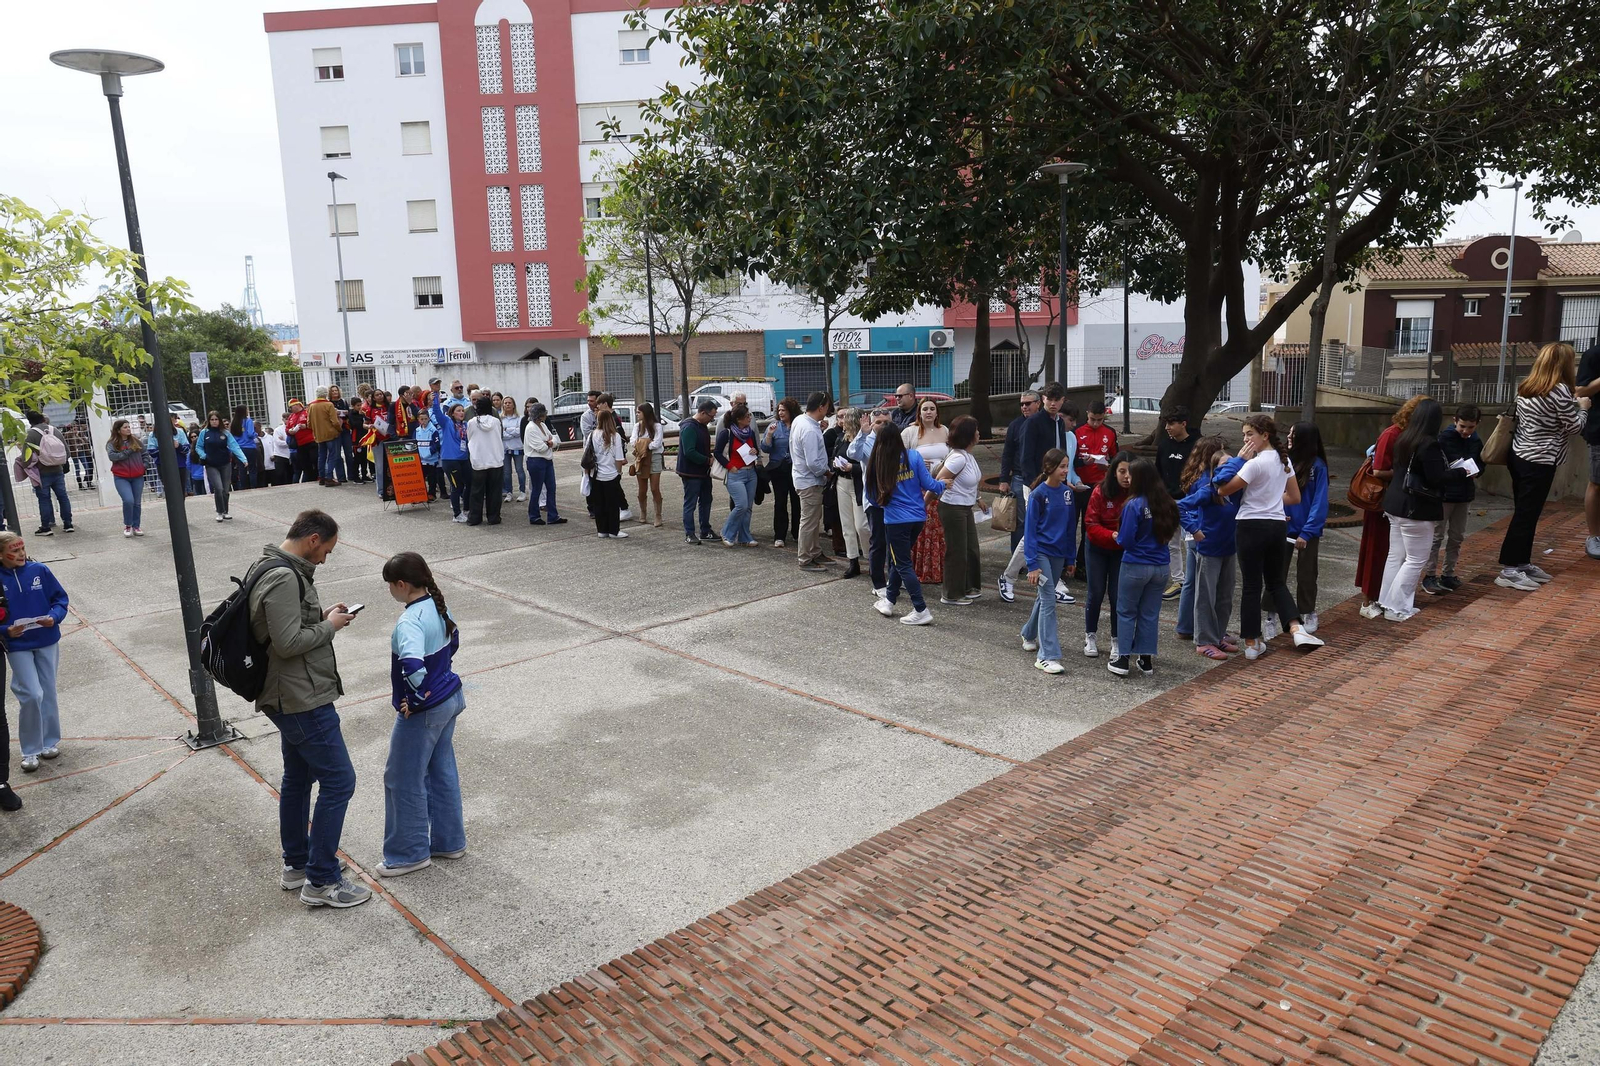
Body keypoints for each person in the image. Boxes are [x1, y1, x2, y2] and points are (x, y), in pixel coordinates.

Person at [247, 509, 365, 908]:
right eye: (326, 550)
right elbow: (286, 643)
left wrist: (320, 615)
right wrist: (330, 627)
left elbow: (283, 627)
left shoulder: (272, 564)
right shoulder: (282, 575)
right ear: (313, 539)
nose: (324, 559)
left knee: (298, 778)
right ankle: (321, 881)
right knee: (339, 781)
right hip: (300, 697)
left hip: (291, 693)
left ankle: (298, 864)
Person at [376, 552, 467, 878]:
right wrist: (439, 678)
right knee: (440, 771)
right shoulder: (437, 605)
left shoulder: (409, 620)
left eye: (390, 585)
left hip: (425, 710)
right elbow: (453, 640)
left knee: (401, 778)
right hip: (450, 698)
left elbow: (412, 665)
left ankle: (408, 854)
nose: (389, 590)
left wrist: (414, 699)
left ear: (401, 585)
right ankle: (449, 841)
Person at [1215, 414, 1324, 657]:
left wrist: (1239, 460)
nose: (1245, 438)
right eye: (1244, 434)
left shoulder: (1254, 463)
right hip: (1276, 526)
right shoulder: (1283, 461)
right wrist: (1272, 499)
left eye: (1249, 434)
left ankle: (1252, 643)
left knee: (1252, 585)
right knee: (1276, 582)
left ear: (1264, 435)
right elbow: (1294, 498)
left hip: (1250, 525)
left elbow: (1223, 489)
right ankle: (1297, 628)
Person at [1497, 342, 1591, 590]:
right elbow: (1574, 427)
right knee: (1526, 515)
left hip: (1519, 455)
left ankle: (1522, 562)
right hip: (1540, 461)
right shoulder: (1558, 390)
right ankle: (1509, 569)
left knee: (1525, 512)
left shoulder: (1526, 386)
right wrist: (1583, 409)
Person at [999, 384, 1083, 604]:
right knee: (1032, 532)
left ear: (1063, 401)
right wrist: (1034, 484)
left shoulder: (1059, 423)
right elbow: (1025, 457)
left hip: (1055, 485)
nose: (1053, 403)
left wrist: (1066, 480)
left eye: (1057, 399)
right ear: (1043, 400)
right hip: (1036, 485)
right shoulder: (1034, 423)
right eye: (1049, 399)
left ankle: (1052, 580)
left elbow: (1063, 456)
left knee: (1052, 528)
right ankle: (1009, 577)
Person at [1, 531, 68, 774]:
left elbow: (60, 599)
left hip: (46, 639)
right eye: (14, 550)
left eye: (22, 549)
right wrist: (6, 630)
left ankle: (49, 741)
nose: (20, 554)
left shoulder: (40, 570)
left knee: (47, 690)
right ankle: (29, 749)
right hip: (17, 644)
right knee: (31, 694)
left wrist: (54, 617)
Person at [1377, 398, 1449, 621]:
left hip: (1395, 504)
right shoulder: (1429, 444)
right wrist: (1462, 472)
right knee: (1416, 559)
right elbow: (1437, 478)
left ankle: (1387, 601)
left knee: (1395, 555)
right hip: (1415, 509)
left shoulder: (1404, 438)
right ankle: (1397, 608)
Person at [869, 425, 947, 624]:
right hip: (918, 517)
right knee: (899, 560)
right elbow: (930, 485)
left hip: (896, 521)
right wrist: (944, 484)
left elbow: (871, 496)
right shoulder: (914, 456)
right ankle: (889, 600)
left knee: (903, 563)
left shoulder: (879, 462)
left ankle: (920, 609)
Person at [1110, 459, 1179, 677]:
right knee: (1149, 614)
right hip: (1160, 567)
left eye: (1132, 475)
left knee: (1126, 611)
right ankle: (1146, 660)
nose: (1128, 478)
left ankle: (1122, 660)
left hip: (1135, 565)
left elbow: (1126, 540)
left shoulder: (1134, 504)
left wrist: (1117, 537)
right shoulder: (1167, 503)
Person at [1355, 395, 1423, 617]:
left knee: (1395, 553)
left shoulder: (1408, 434)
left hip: (1399, 501)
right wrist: (1407, 473)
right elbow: (1378, 470)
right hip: (1382, 501)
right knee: (1378, 550)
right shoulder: (1392, 434)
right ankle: (1368, 600)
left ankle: (1386, 597)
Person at [1177, 436, 1240, 660]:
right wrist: (1194, 529)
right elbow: (1180, 507)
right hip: (1209, 547)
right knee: (1205, 595)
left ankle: (1218, 634)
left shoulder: (1234, 489)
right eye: (1226, 465)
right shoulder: (1208, 487)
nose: (1231, 469)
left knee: (1224, 594)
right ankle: (1204, 640)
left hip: (1229, 547)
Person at [1271, 421, 1330, 636]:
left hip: (1306, 530)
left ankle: (1308, 611)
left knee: (1307, 573)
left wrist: (1307, 532)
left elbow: (1319, 502)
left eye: (1293, 434)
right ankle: (1271, 614)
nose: (1288, 437)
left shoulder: (1318, 467)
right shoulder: (1283, 461)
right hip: (1282, 525)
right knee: (1276, 573)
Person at [1020, 448, 1076, 674]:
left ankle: (1028, 632)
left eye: (1066, 465)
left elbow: (1071, 528)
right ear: (1049, 468)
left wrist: (1070, 557)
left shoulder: (1067, 494)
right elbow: (1030, 532)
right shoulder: (1037, 495)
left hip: (1058, 553)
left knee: (1045, 598)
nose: (1065, 470)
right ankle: (1047, 656)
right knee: (1049, 599)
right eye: (1062, 466)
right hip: (1041, 553)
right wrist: (1032, 564)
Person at [1422, 405, 1484, 595]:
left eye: (1470, 427)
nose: (1466, 431)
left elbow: (1480, 463)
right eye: (1462, 426)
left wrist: (1476, 470)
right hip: (1446, 494)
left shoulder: (1475, 440)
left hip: (1463, 494)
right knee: (1437, 536)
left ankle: (1448, 574)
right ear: (1454, 421)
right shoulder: (1444, 438)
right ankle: (1430, 575)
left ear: (1477, 425)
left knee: (1456, 537)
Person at [1082, 452, 1133, 658]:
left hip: (1120, 550)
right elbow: (1090, 525)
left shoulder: (1138, 494)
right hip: (1097, 547)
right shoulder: (1100, 491)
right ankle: (1090, 635)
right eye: (1122, 471)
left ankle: (1116, 639)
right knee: (1095, 592)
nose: (1126, 476)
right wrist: (1112, 534)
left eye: (1130, 472)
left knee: (1117, 595)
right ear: (1114, 472)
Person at [936, 415, 983, 605]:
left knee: (971, 548)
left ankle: (969, 586)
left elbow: (971, 482)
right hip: (952, 507)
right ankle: (952, 594)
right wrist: (923, 505)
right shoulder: (957, 458)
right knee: (957, 551)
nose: (979, 433)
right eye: (976, 430)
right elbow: (938, 481)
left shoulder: (967, 456)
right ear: (969, 435)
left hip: (965, 506)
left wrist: (979, 499)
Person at [902, 397, 950, 584]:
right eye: (925, 409)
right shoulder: (910, 432)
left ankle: (939, 570)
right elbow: (897, 457)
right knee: (923, 529)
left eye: (932, 409)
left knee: (939, 529)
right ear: (919, 413)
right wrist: (916, 463)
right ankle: (920, 569)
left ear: (937, 412)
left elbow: (952, 455)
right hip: (919, 487)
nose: (928, 412)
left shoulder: (944, 430)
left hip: (942, 486)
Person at [849, 408, 893, 593]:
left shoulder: (894, 440)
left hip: (894, 498)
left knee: (895, 541)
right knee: (878, 541)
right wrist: (863, 432)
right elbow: (853, 454)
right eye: (878, 422)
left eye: (885, 422)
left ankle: (894, 578)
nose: (882, 425)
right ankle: (879, 583)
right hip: (875, 500)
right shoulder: (866, 440)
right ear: (872, 424)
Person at [1154, 409, 1195, 600]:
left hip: (1190, 502)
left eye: (1171, 424)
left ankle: (1193, 581)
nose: (1167, 428)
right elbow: (1158, 472)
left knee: (1192, 542)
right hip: (1168, 501)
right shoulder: (1164, 445)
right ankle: (1178, 580)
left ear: (1183, 423)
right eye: (1166, 424)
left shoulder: (1196, 446)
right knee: (1171, 542)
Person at [1073, 400, 1118, 572]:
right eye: (1093, 419)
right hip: (1078, 485)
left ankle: (1083, 564)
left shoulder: (1110, 433)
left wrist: (1107, 465)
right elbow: (1070, 460)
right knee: (1071, 525)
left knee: (1090, 527)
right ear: (1087, 414)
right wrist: (1082, 462)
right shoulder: (1076, 432)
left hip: (1099, 486)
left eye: (1100, 420)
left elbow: (1116, 458)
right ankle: (1068, 563)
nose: (1096, 423)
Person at [792, 392, 832, 571]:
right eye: (827, 406)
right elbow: (813, 462)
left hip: (804, 478)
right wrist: (827, 472)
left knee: (814, 519)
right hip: (810, 480)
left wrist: (820, 428)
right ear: (821, 406)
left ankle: (814, 551)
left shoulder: (802, 420)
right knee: (809, 521)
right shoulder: (808, 428)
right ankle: (805, 558)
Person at [829, 408, 870, 579]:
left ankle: (870, 558)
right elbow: (833, 457)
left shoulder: (866, 440)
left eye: (845, 418)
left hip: (859, 484)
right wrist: (836, 464)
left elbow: (870, 464)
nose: (841, 422)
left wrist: (851, 467)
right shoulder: (841, 438)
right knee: (847, 525)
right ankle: (853, 561)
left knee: (862, 525)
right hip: (842, 483)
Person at [999, 391, 1041, 557]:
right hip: (1019, 477)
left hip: (1041, 477)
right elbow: (1007, 453)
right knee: (1019, 520)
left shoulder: (1044, 423)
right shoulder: (1015, 425)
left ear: (1038, 404)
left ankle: (1038, 555)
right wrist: (1003, 479)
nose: (1024, 407)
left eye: (1028, 403)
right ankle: (1018, 557)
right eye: (1022, 404)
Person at [714, 404, 761, 547]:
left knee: (748, 507)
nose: (750, 418)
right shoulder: (727, 433)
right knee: (741, 505)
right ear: (739, 419)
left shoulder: (750, 432)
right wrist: (729, 466)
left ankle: (744, 537)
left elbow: (756, 450)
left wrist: (755, 451)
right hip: (736, 474)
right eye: (747, 416)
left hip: (751, 472)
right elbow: (717, 452)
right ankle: (727, 533)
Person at [21, 411, 72, 536]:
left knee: (44, 499)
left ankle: (46, 526)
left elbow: (25, 459)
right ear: (43, 419)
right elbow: (67, 452)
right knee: (63, 497)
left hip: (41, 472)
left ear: (29, 421)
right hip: (58, 470)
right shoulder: (54, 430)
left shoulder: (31, 434)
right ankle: (68, 523)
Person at [193, 410, 249, 522]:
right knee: (218, 488)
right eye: (212, 420)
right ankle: (219, 511)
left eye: (216, 419)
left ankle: (225, 511)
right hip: (211, 464)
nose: (214, 422)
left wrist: (243, 459)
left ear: (219, 420)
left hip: (225, 464)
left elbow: (234, 446)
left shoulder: (225, 433)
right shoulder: (204, 432)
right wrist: (203, 455)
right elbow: (198, 447)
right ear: (209, 421)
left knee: (225, 489)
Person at [678, 398, 720, 544]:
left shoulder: (701, 426)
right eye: (711, 416)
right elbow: (689, 452)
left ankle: (705, 530)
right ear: (702, 412)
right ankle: (689, 533)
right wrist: (706, 460)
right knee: (691, 503)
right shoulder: (689, 427)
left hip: (703, 472)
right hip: (691, 473)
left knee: (706, 500)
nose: (712, 419)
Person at [763, 399, 800, 547]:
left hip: (795, 468)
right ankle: (779, 535)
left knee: (797, 502)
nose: (780, 413)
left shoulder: (799, 425)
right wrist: (770, 435)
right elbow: (765, 448)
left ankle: (798, 533)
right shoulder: (774, 426)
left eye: (783, 410)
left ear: (791, 410)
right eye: (779, 410)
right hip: (778, 469)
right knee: (780, 502)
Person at [587, 409, 628, 538]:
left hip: (596, 474)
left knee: (599, 503)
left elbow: (588, 454)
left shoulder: (592, 435)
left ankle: (602, 530)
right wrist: (619, 473)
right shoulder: (614, 436)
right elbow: (619, 459)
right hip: (611, 474)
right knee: (613, 504)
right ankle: (614, 530)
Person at [465, 396, 505, 526]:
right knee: (494, 491)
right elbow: (499, 436)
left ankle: (475, 518)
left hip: (479, 460)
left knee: (476, 491)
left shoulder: (471, 422)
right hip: (495, 459)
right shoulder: (495, 421)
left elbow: (469, 438)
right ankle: (493, 517)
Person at [522, 403, 565, 525]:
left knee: (551, 488)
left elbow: (555, 439)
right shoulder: (530, 428)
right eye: (544, 413)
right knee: (537, 489)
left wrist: (550, 442)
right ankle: (534, 516)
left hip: (547, 460)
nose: (546, 415)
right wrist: (550, 443)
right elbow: (540, 447)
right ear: (539, 415)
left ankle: (553, 516)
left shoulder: (542, 425)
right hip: (536, 461)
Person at [106, 419, 147, 538]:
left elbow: (145, 454)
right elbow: (112, 456)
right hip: (121, 477)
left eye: (129, 427)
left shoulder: (136, 441)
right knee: (128, 500)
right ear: (118, 430)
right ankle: (128, 525)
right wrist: (128, 452)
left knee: (137, 503)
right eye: (125, 427)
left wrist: (143, 467)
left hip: (137, 476)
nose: (128, 429)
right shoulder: (112, 443)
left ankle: (136, 526)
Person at [1578, 343, 1600, 559]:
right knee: (1597, 482)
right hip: (1598, 429)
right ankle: (1594, 537)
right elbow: (1580, 391)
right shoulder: (1594, 354)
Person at [632, 401, 665, 527]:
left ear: (645, 413)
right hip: (641, 458)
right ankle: (643, 512)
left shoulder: (657, 426)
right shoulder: (637, 426)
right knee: (642, 489)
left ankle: (658, 514)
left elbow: (657, 443)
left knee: (655, 488)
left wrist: (642, 444)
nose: (637, 414)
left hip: (655, 457)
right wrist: (646, 444)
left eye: (639, 412)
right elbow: (633, 441)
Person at [414, 408, 446, 502]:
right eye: (421, 419)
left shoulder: (433, 430)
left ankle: (432, 494)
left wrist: (428, 453)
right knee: (421, 478)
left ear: (428, 419)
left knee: (432, 478)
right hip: (421, 459)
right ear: (418, 420)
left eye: (425, 419)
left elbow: (436, 445)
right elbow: (414, 443)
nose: (423, 421)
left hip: (431, 460)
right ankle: (421, 494)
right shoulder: (417, 430)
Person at [499, 396, 526, 504]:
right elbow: (501, 434)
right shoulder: (500, 419)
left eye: (509, 402)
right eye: (505, 403)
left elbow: (519, 432)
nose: (507, 405)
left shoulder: (520, 418)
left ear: (513, 404)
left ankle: (522, 491)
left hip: (517, 447)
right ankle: (509, 492)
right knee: (506, 472)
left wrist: (507, 430)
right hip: (505, 449)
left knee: (519, 470)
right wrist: (511, 431)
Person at [231, 405, 264, 491]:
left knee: (242, 469)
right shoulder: (248, 421)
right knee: (252, 468)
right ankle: (253, 486)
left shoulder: (234, 423)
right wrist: (256, 434)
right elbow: (250, 434)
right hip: (249, 447)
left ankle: (243, 487)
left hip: (239, 448)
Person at [286, 399, 317, 483]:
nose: (290, 409)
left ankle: (317, 476)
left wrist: (306, 426)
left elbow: (315, 423)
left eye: (291, 407)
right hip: (299, 443)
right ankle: (310, 478)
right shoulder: (291, 417)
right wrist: (289, 431)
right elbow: (287, 428)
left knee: (314, 459)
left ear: (297, 405)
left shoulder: (307, 413)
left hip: (311, 440)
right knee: (304, 462)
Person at [328, 386, 353, 487]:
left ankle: (352, 475)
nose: (335, 392)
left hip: (345, 430)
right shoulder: (329, 403)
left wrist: (340, 412)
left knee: (349, 453)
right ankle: (341, 477)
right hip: (335, 431)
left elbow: (348, 413)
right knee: (337, 455)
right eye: (332, 391)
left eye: (336, 390)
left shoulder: (343, 402)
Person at [64, 417, 95, 492]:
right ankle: (80, 484)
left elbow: (85, 441)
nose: (75, 430)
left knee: (86, 466)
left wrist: (78, 436)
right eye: (74, 428)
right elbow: (66, 444)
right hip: (74, 453)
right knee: (77, 468)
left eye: (76, 428)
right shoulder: (67, 435)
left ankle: (88, 482)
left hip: (81, 451)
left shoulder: (80, 433)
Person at [345, 396, 371, 484]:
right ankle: (356, 476)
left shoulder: (363, 413)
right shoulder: (351, 414)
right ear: (353, 406)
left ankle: (364, 475)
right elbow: (355, 424)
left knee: (364, 458)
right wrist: (361, 418)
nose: (360, 407)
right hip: (356, 439)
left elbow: (367, 420)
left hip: (364, 437)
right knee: (357, 458)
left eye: (360, 405)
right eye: (357, 405)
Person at [264, 417, 292, 486]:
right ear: (283, 419)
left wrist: (285, 441)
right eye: (286, 418)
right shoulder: (278, 430)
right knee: (280, 475)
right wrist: (289, 443)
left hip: (291, 454)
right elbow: (279, 443)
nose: (287, 420)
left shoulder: (293, 428)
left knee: (290, 474)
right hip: (280, 455)